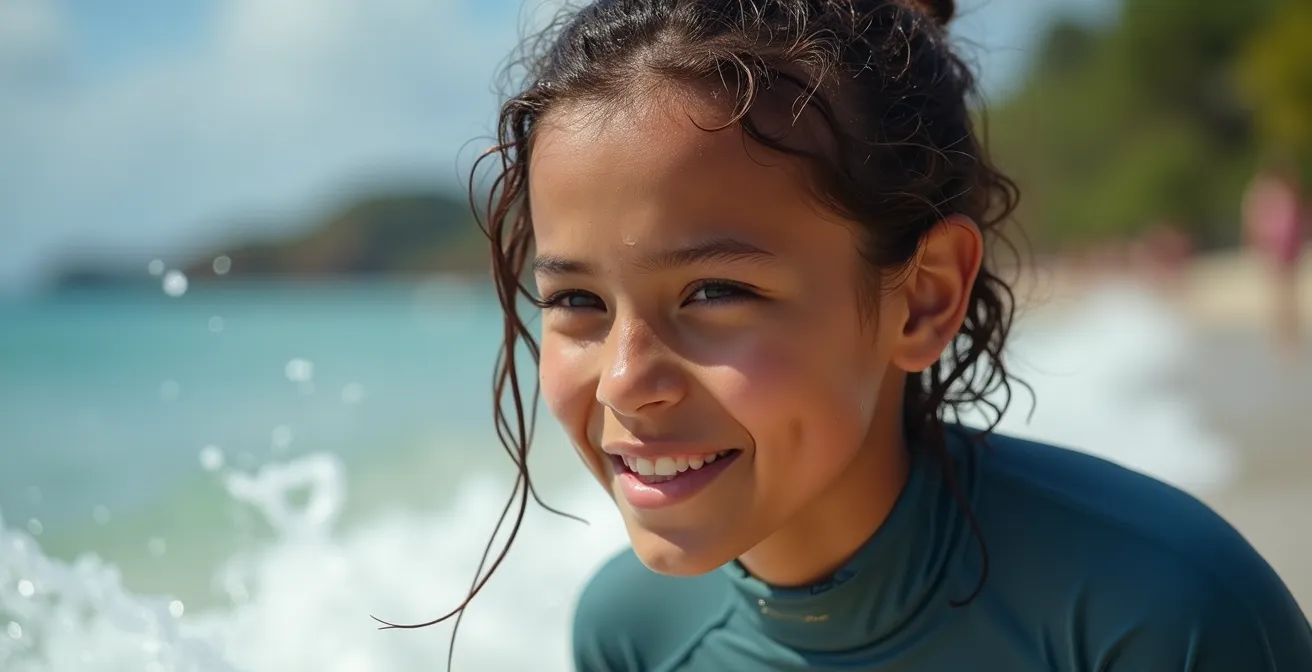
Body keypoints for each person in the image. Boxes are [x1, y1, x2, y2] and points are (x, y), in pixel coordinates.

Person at [380, 1, 1312, 669]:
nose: (626, 381)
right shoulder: (628, 634)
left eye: (713, 291)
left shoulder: (1157, 612)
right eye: (577, 302)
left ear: (923, 299)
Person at [1243, 162, 1306, 353]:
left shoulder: (1262, 191)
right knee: (1287, 293)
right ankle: (1289, 336)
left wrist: (1253, 243)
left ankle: (1284, 336)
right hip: (1285, 247)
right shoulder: (1283, 190)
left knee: (1279, 294)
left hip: (1274, 247)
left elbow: (1252, 220)